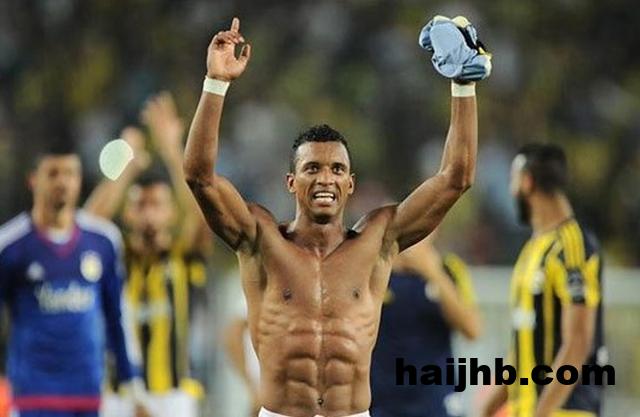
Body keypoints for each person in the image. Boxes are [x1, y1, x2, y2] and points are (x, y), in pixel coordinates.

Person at [184, 15, 488, 417]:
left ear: (350, 184)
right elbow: (199, 177)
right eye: (312, 168)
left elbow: (455, 178)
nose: (325, 178)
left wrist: (463, 85)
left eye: (337, 170)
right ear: (291, 182)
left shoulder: (379, 240)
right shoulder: (259, 239)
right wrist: (215, 83)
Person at [0, 142, 147, 417]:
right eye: (53, 173)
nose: (62, 182)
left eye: (70, 173)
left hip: (88, 394)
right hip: (33, 397)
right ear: (33, 180)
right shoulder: (10, 246)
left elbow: (117, 316)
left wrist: (133, 385)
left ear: (79, 180)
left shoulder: (103, 241)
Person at [86, 94, 209, 417]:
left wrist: (172, 150)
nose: (149, 213)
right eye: (140, 204)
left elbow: (203, 218)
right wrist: (124, 169)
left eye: (157, 204)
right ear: (126, 213)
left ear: (172, 213)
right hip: (118, 395)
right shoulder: (115, 258)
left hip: (175, 396)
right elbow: (85, 229)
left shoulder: (183, 255)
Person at [480, 144, 606, 417]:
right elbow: (523, 345)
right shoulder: (533, 249)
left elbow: (578, 342)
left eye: (513, 181)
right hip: (529, 409)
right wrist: (489, 408)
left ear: (527, 182)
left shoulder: (571, 246)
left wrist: (542, 413)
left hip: (565, 412)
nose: (511, 191)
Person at [370, 234, 481, 417]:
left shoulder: (449, 268)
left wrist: (432, 272)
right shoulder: (374, 268)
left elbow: (472, 329)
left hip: (436, 400)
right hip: (383, 402)